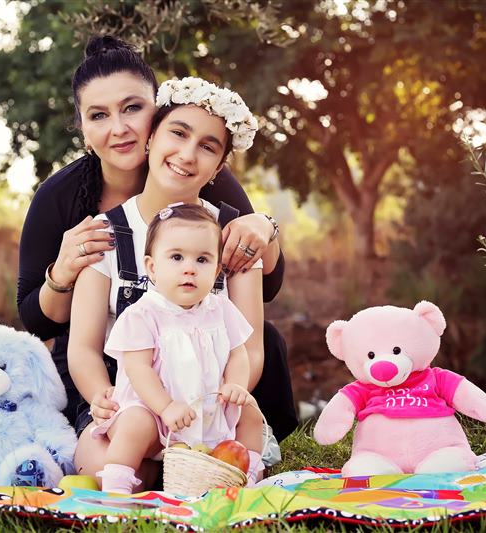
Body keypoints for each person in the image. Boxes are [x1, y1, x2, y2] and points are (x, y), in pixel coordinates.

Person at [16, 36, 295, 443]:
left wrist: (264, 227)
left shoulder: (202, 175)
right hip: (116, 363)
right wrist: (62, 272)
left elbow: (261, 285)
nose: (119, 128)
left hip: (204, 364)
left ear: (156, 110)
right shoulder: (63, 199)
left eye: (132, 108)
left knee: (259, 335)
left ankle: (257, 435)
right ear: (83, 130)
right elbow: (37, 321)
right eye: (98, 115)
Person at [69, 76, 273, 489]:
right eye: (178, 133)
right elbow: (83, 347)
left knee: (222, 460)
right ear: (150, 139)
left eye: (207, 147)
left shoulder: (231, 235)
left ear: (219, 167)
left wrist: (225, 395)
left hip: (209, 409)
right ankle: (144, 473)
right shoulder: (108, 233)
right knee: (106, 467)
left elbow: (250, 348)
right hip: (132, 403)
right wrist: (100, 397)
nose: (187, 154)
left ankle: (218, 470)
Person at [92, 204, 265, 493]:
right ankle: (116, 490)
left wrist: (235, 385)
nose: (189, 268)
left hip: (208, 412)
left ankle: (247, 477)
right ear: (152, 267)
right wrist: (165, 407)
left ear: (217, 270)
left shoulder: (221, 308)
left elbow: (238, 353)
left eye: (202, 259)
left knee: (249, 411)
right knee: (135, 423)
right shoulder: (143, 314)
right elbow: (138, 369)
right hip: (155, 416)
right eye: (176, 257)